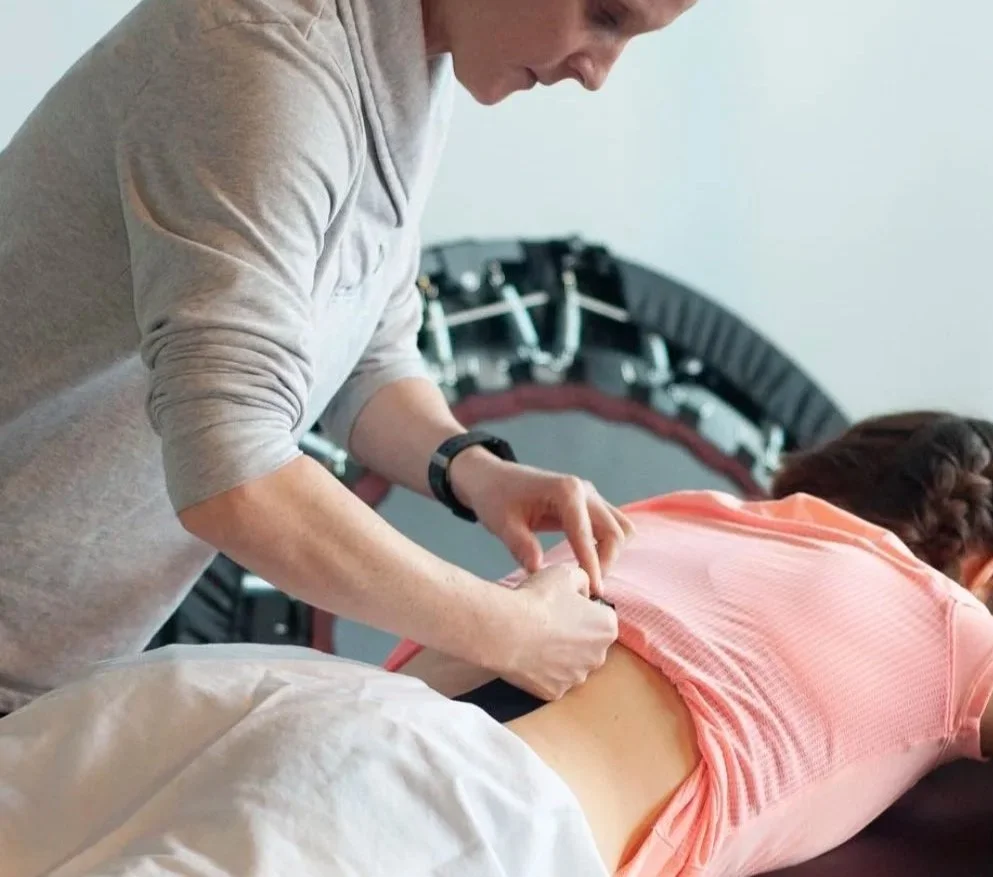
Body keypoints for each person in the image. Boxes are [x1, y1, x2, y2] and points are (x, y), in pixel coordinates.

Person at [3, 410, 993, 877]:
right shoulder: (948, 618)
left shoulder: (669, 515)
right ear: (992, 575)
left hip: (256, 703)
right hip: (446, 814)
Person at [0, 0, 696, 715]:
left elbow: (364, 352)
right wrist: (509, 632)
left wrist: (476, 471)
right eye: (605, 14)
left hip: (46, 674)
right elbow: (233, 474)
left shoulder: (406, 61)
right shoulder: (266, 64)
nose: (598, 72)